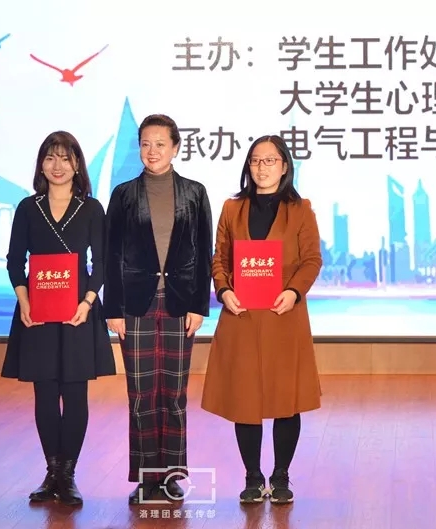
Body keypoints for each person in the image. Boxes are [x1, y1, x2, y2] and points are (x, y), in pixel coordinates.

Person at [200, 135, 323, 505]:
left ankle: (281, 475)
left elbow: (311, 260)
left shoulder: (301, 209)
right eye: (255, 160)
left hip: (283, 315)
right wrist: (223, 289)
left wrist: (294, 292)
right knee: (245, 398)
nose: (262, 167)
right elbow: (219, 257)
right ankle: (253, 476)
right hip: (241, 315)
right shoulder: (231, 208)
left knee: (287, 398)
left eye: (270, 160)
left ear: (285, 166)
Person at [1, 131, 117, 506]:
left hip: (78, 313)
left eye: (66, 158)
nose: (58, 165)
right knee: (46, 394)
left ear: (77, 165)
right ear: (41, 165)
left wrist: (88, 301)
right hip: (37, 313)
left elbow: (101, 262)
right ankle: (51, 472)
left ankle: (68, 475)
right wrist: (24, 300)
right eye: (50, 158)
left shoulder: (91, 208)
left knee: (75, 393)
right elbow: (14, 260)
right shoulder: (27, 208)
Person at [104, 114, 213, 505]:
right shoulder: (123, 195)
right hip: (135, 304)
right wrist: (112, 309)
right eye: (146, 144)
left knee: (174, 394)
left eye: (160, 144)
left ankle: (171, 476)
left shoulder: (195, 193)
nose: (152, 151)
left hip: (180, 304)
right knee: (141, 394)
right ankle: (146, 478)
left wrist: (200, 305)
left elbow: (204, 253)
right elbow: (111, 254)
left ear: (176, 147)